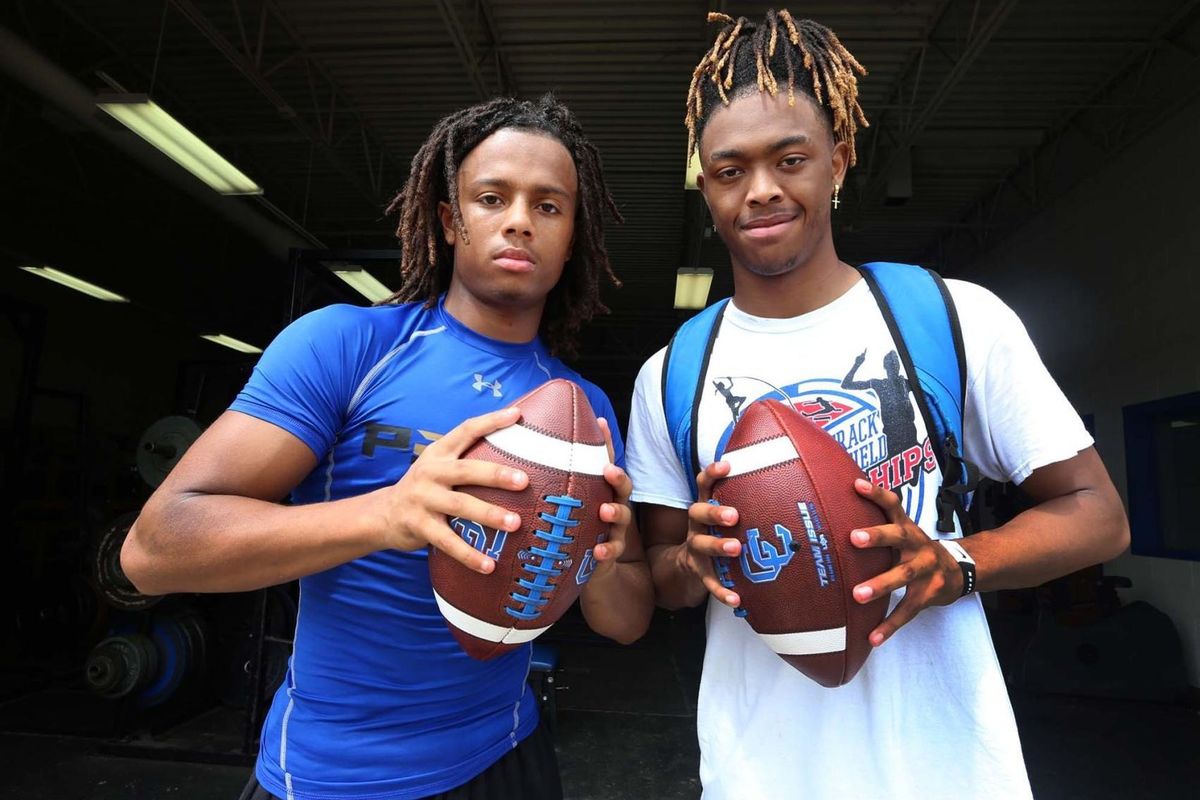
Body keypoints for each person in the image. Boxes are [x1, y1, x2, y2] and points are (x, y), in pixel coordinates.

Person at [625, 10, 1129, 799]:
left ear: (838, 161)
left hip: (950, 771)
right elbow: (662, 575)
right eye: (729, 171)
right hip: (759, 775)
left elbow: (1098, 515)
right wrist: (691, 560)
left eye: (791, 159)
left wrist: (958, 563)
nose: (762, 190)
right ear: (706, 187)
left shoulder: (952, 317)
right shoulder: (672, 373)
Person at [121, 94, 654, 800]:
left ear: (572, 236)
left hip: (506, 755)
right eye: (492, 198)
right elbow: (152, 553)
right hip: (335, 772)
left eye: (548, 206)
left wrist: (600, 563)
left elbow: (626, 624)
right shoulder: (349, 345)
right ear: (450, 221)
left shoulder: (582, 417)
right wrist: (387, 514)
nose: (520, 220)